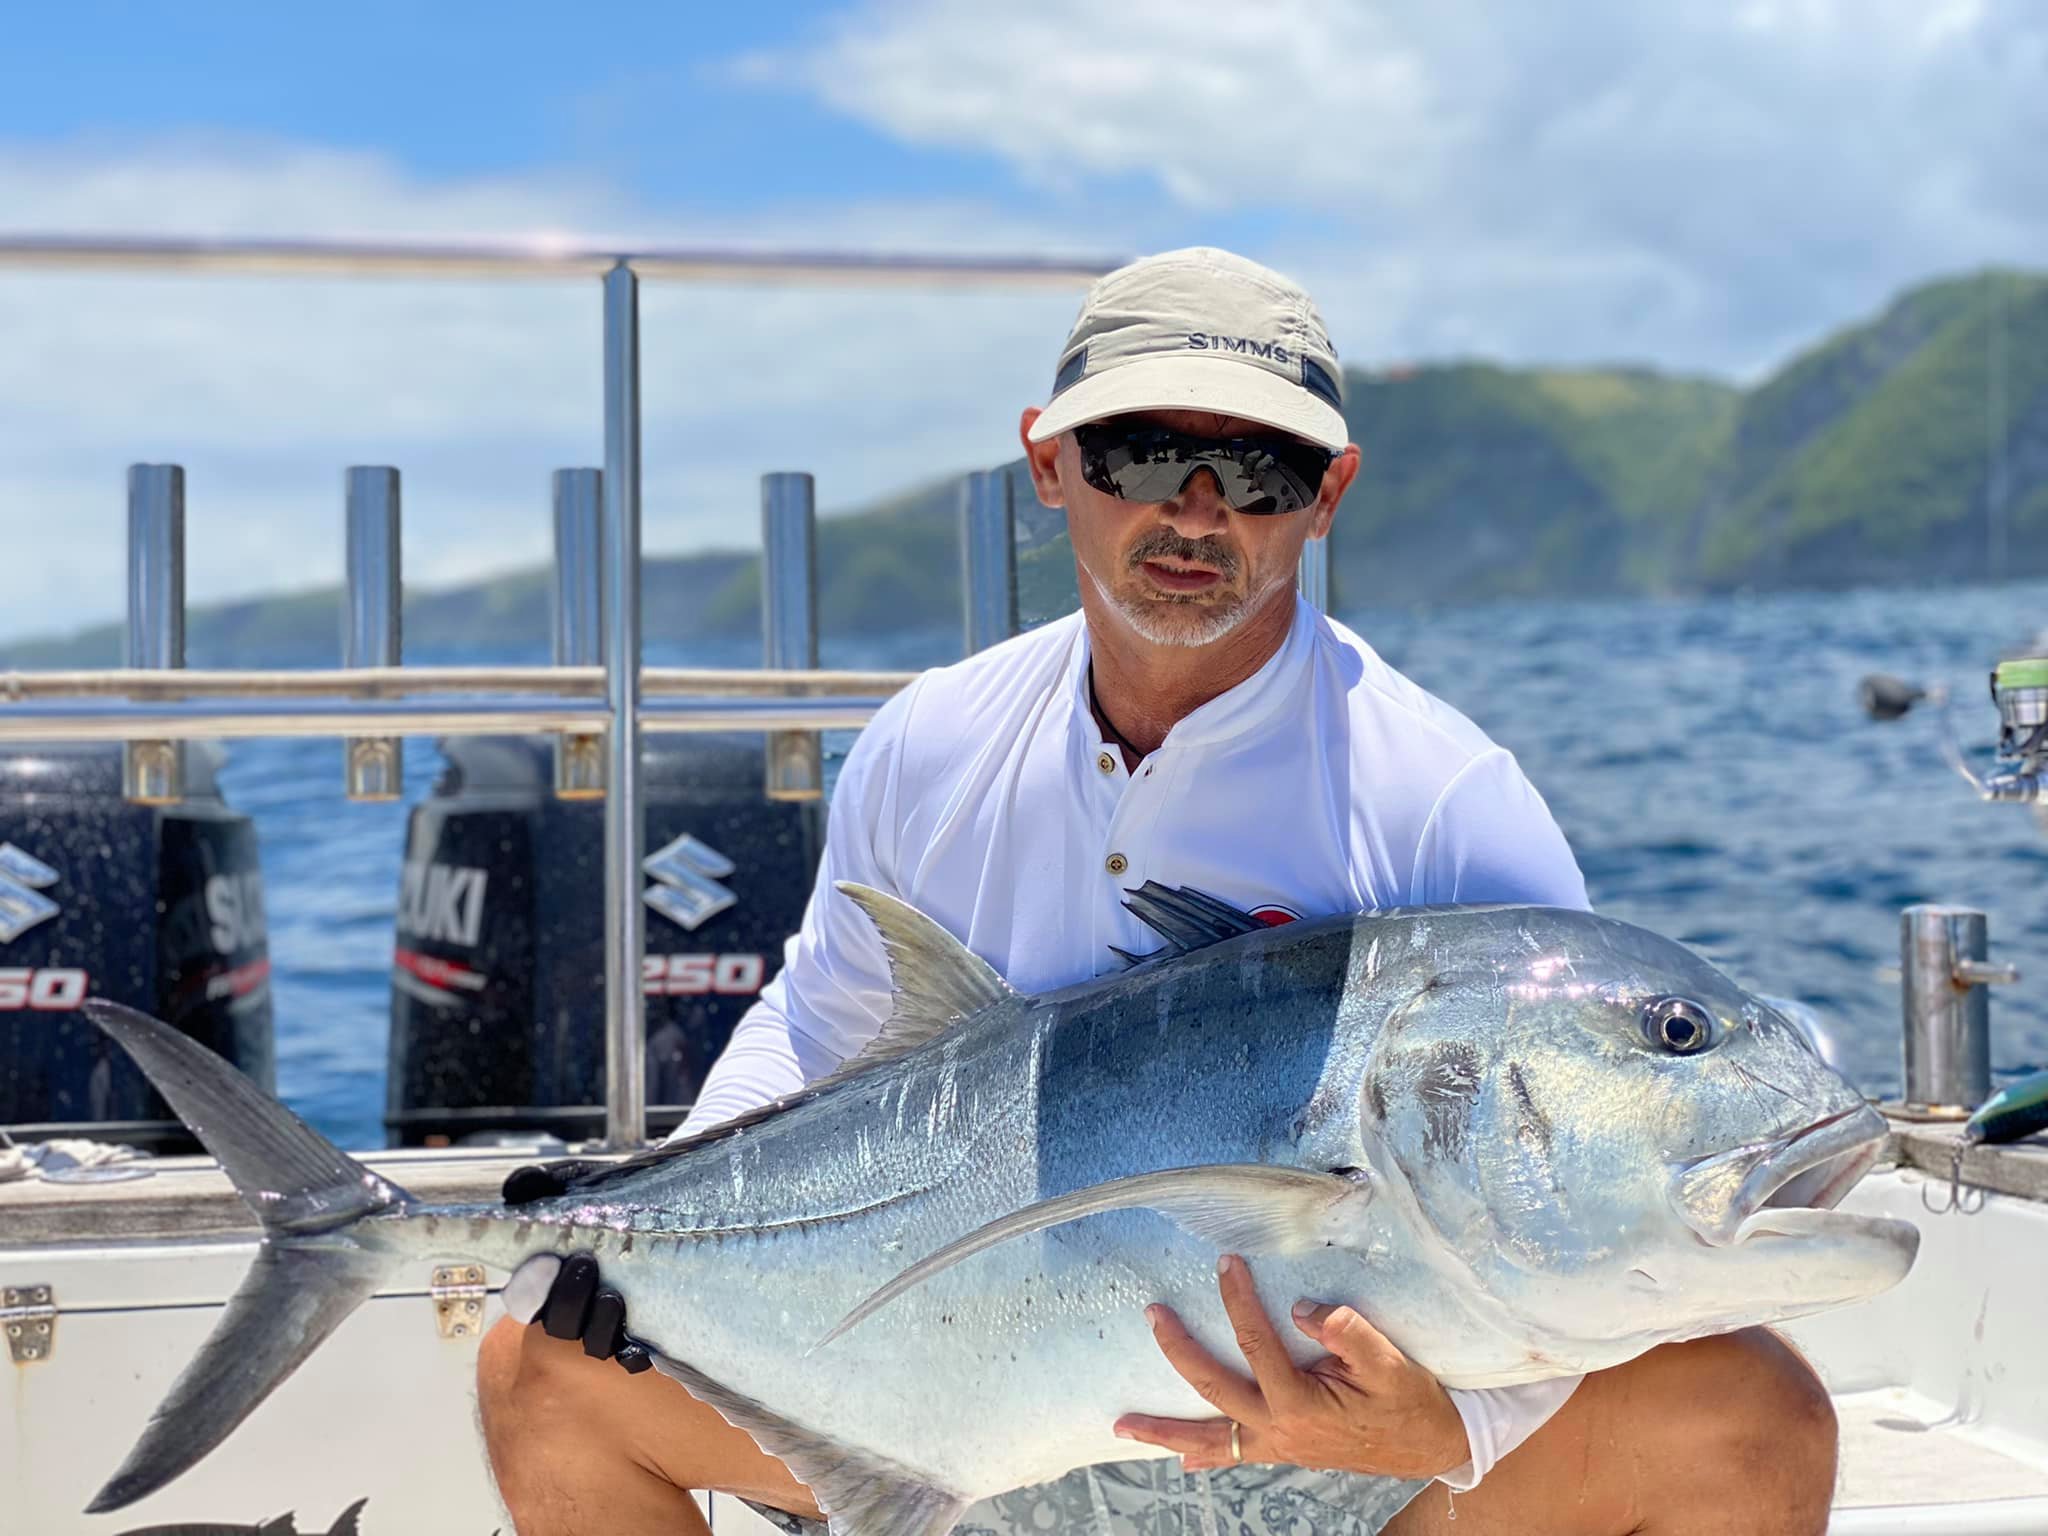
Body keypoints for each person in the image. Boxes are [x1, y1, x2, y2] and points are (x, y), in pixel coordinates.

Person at [476, 247, 1838, 1536]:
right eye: (1144, 456)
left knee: (1754, 1420)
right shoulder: (930, 741)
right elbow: (821, 1027)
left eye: (1257, 469)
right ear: (1050, 463)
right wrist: (657, 1205)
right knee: (537, 1374)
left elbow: (1542, 1216)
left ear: (1329, 493)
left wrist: (1448, 1428)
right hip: (962, 1397)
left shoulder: (1441, 802)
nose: (1197, 511)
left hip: (1322, 1460)